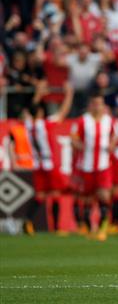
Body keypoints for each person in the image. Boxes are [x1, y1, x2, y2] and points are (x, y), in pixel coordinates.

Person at [12, 83, 73, 235]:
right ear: (40, 112)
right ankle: (58, 227)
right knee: (55, 195)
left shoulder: (27, 125)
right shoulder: (45, 125)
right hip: (49, 164)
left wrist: (38, 93)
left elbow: (31, 109)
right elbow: (63, 112)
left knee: (39, 196)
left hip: (37, 165)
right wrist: (69, 94)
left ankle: (28, 221)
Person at [70, 93, 118, 241]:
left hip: (103, 165)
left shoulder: (109, 121)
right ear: (90, 105)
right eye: (95, 104)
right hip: (86, 166)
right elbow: (73, 138)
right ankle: (91, 228)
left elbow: (117, 135)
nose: (98, 107)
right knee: (87, 199)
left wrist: (112, 144)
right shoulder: (82, 121)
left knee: (104, 195)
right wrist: (79, 145)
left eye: (100, 104)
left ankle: (103, 228)